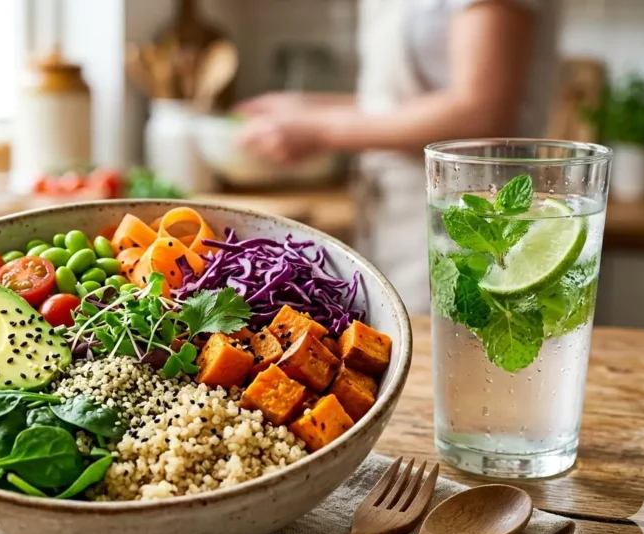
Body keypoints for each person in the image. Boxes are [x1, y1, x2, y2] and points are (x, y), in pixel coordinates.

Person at [236, 0, 560, 314]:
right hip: (394, 219)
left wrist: (319, 131)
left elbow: (481, 112)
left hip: (470, 215)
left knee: (454, 343)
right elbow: (393, 105)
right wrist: (308, 108)